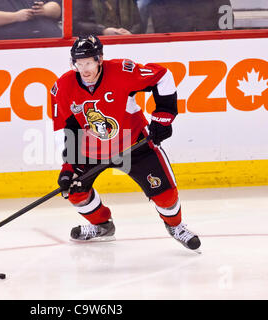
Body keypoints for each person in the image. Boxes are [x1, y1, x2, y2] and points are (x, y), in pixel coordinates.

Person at [50, 35, 201, 252]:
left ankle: (175, 227)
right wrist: (68, 168)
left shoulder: (123, 71)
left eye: (89, 63)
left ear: (99, 59)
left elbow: (162, 76)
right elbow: (65, 128)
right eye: (79, 63)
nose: (84, 69)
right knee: (74, 191)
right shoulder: (63, 87)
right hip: (91, 150)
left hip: (134, 145)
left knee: (166, 194)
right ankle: (102, 225)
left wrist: (163, 118)